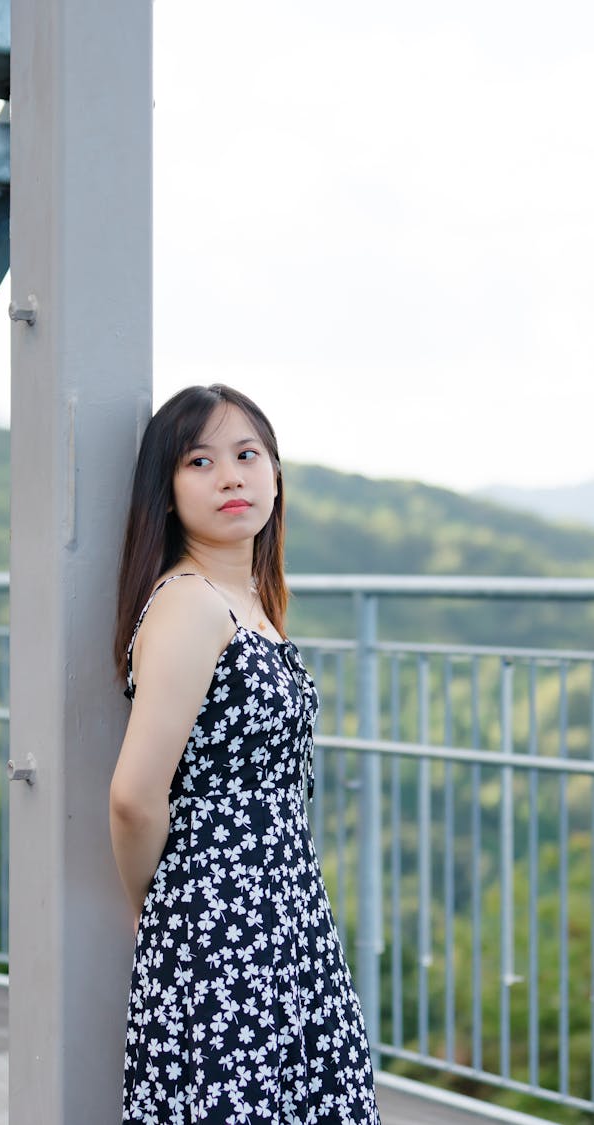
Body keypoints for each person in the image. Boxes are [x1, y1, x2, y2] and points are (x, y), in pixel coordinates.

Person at [110, 384, 380, 1124]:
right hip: (222, 924)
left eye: (246, 454)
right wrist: (157, 907)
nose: (231, 475)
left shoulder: (249, 601)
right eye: (200, 460)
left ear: (276, 475)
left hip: (278, 912)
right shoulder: (189, 604)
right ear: (166, 494)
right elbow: (135, 795)